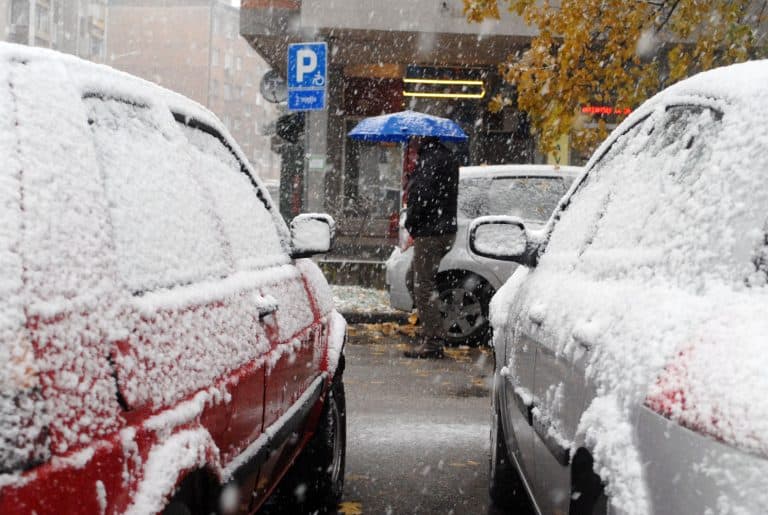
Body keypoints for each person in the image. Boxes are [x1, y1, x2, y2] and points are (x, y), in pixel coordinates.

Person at [402, 136, 460, 359]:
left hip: (431, 231)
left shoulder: (430, 160)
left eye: (413, 138)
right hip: (444, 229)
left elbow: (423, 196)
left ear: (422, 138)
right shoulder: (446, 157)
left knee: (422, 284)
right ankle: (431, 327)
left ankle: (434, 340)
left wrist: (412, 222)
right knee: (413, 278)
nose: (411, 141)